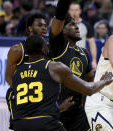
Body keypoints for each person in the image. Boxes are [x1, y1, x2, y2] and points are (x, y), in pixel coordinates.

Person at [11, 35, 113, 131]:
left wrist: (59, 108)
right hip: (45, 123)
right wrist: (104, 81)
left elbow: (32, 107)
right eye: (46, 43)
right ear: (43, 49)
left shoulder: (17, 72)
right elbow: (89, 89)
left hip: (19, 124)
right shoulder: (53, 67)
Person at [48, 0, 95, 130]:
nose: (77, 26)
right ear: (62, 30)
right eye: (71, 24)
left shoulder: (83, 52)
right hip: (57, 110)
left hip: (77, 112)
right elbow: (59, 16)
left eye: (76, 24)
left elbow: (89, 80)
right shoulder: (58, 46)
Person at [69, 2, 97, 70]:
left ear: (80, 11)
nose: (74, 12)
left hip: (81, 56)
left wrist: (94, 61)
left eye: (76, 10)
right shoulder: (64, 25)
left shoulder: (86, 25)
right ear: (69, 11)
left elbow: (92, 44)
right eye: (72, 10)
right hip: (67, 56)